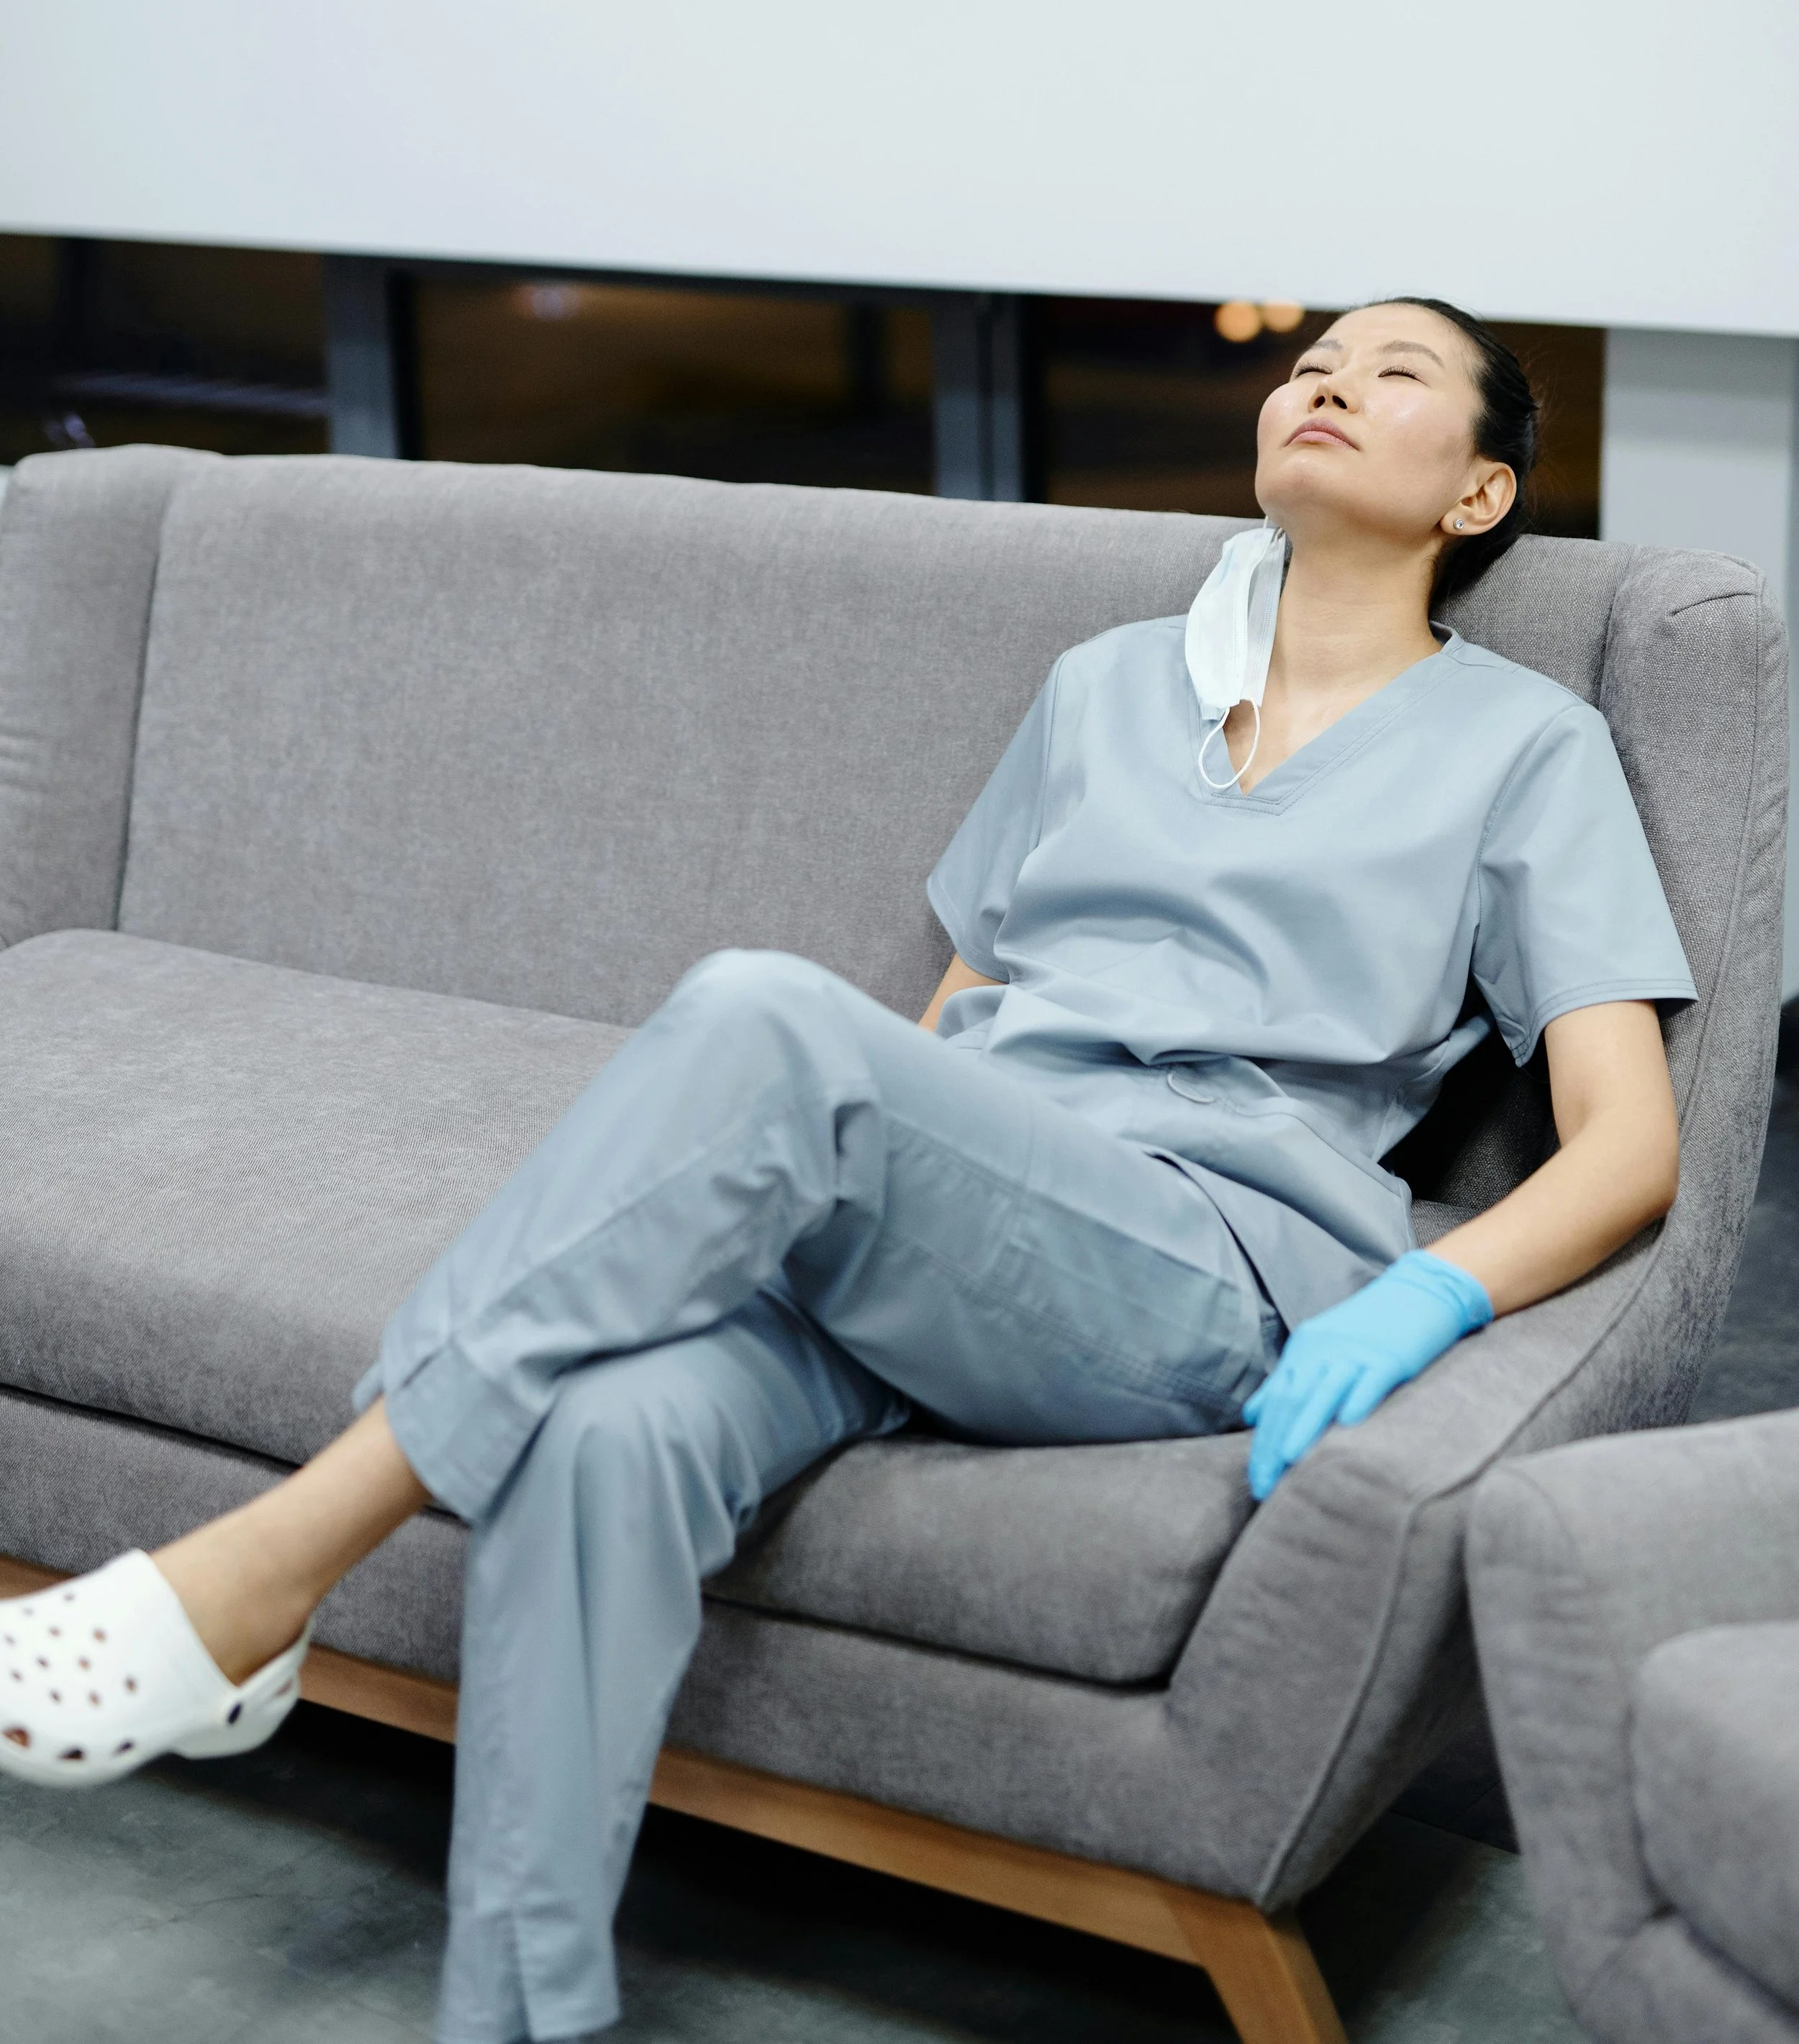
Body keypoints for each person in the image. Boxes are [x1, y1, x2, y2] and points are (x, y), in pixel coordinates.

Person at [0, 298, 1695, 2043]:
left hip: (1193, 1259)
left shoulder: (1521, 750)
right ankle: (519, 2018)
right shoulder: (1107, 686)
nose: (1326, 379)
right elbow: (963, 1008)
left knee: (760, 1016)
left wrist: (1425, 1292)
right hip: (960, 1218)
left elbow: (1630, 1145)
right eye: (1307, 360)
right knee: (605, 1432)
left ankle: (265, 1570)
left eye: (1391, 370)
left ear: (1477, 497)